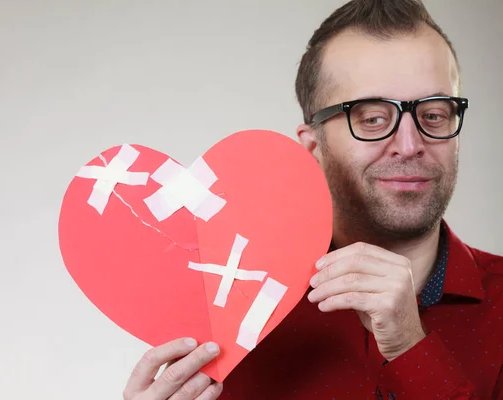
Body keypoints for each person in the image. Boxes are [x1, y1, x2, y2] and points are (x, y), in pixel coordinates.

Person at [121, 0, 503, 399]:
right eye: (372, 118)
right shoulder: (227, 314)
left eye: (434, 114)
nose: (409, 146)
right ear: (312, 147)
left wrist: (412, 349)